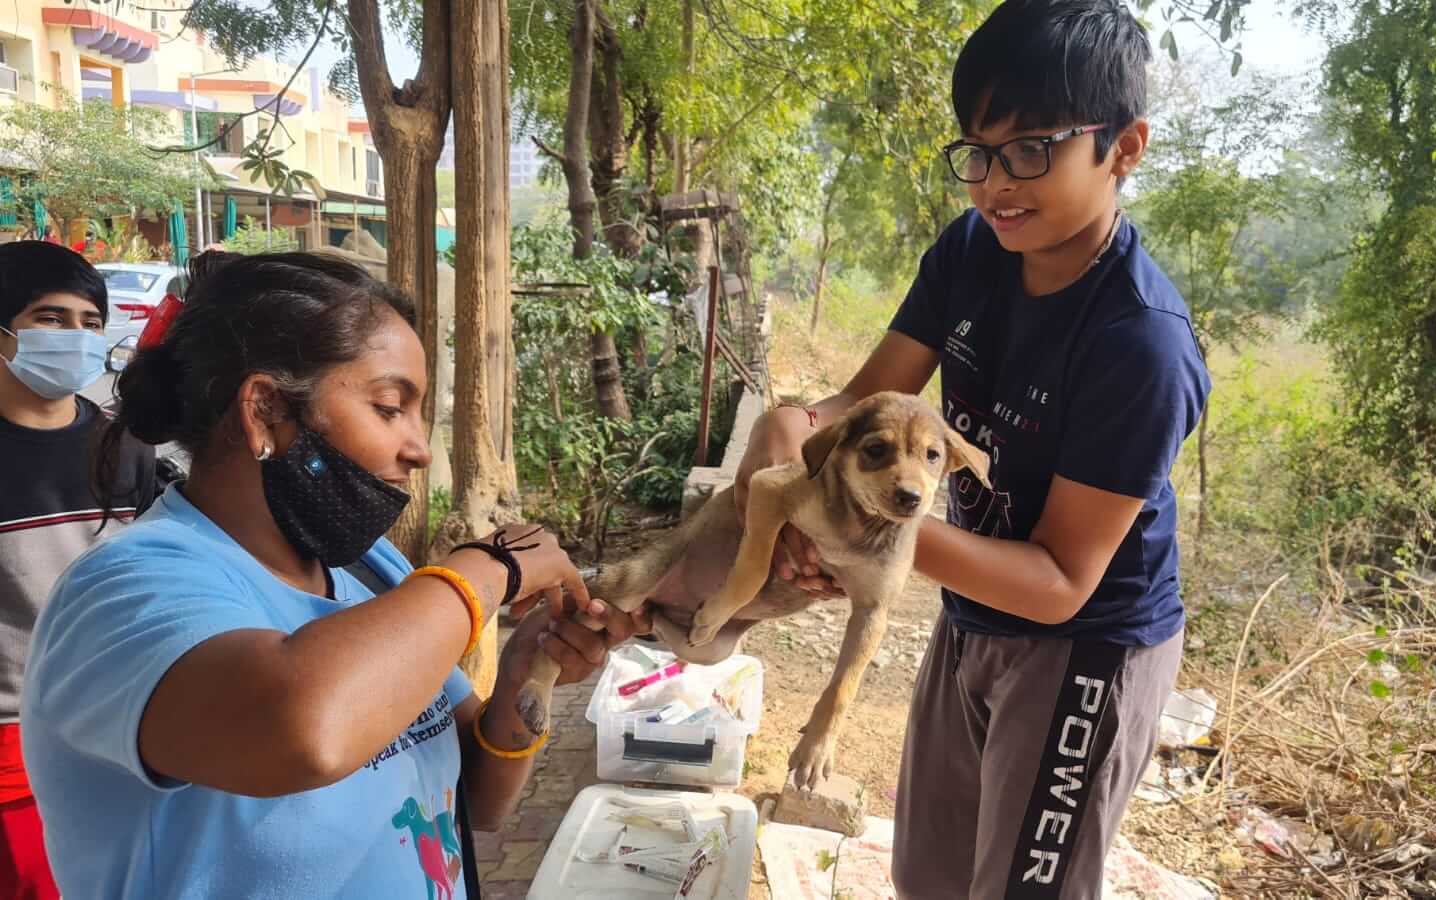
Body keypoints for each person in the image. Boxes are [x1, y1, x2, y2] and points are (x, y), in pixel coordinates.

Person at [731, 3, 1211, 897]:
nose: (996, 184)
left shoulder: (1139, 346)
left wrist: (856, 524)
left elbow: (1063, 578)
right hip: (972, 613)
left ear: (1125, 147)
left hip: (1085, 650)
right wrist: (791, 433)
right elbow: (854, 403)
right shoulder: (972, 251)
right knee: (932, 875)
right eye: (978, 153)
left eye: (1032, 149)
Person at [21, 251, 648, 899]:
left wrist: (527, 674)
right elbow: (304, 731)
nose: (419, 448)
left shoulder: (365, 569)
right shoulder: (121, 596)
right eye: (388, 406)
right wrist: (488, 570)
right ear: (265, 410)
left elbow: (477, 800)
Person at [0, 241, 157, 900]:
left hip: (122, 725)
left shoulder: (127, 448)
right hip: (12, 749)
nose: (76, 337)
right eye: (51, 318)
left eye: (91, 323)